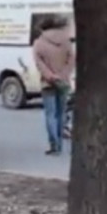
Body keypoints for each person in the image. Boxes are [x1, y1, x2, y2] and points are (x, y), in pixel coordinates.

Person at [32, 15, 75, 155]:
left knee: (50, 114)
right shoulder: (66, 41)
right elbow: (71, 59)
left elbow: (40, 64)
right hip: (63, 82)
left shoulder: (39, 43)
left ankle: (53, 144)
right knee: (61, 113)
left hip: (47, 83)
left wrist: (51, 77)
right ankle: (60, 145)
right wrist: (63, 75)